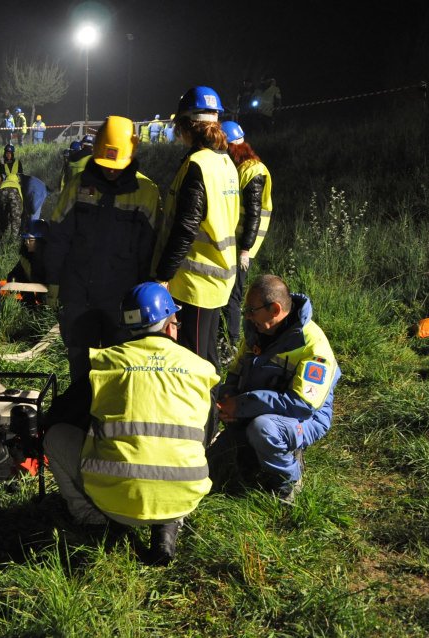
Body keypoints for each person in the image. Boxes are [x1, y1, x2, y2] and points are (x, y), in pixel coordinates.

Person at [43, 282, 217, 564]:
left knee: (55, 436)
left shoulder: (106, 363)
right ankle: (169, 525)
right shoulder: (200, 368)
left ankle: (93, 519)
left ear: (127, 328)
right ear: (170, 326)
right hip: (183, 496)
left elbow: (59, 414)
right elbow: (208, 432)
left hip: (115, 502)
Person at [44, 115, 162, 382]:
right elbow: (59, 236)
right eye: (105, 164)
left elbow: (150, 250)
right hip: (79, 295)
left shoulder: (146, 192)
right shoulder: (77, 187)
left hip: (122, 300)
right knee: (79, 365)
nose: (110, 171)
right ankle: (81, 406)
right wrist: (53, 281)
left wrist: (148, 289)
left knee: (120, 367)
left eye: (116, 165)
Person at [207, 274, 340, 503]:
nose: (246, 316)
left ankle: (288, 480)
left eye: (251, 310)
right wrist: (229, 396)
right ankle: (256, 454)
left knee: (263, 429)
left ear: (275, 309)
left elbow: (302, 405)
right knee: (213, 465)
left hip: (305, 417)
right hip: (257, 406)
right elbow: (237, 370)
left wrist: (241, 405)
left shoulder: (313, 346)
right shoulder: (257, 330)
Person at [153, 86, 240, 372]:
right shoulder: (225, 161)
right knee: (208, 354)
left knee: (195, 361)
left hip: (197, 282)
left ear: (185, 125)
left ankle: (204, 403)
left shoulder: (197, 165)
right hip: (219, 274)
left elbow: (186, 228)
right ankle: (213, 401)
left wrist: (163, 276)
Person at [220, 120, 274, 364]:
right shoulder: (241, 167)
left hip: (241, 247)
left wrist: (245, 249)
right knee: (227, 293)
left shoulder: (253, 171)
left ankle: (231, 345)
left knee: (233, 295)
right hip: (232, 244)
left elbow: (254, 214)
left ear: (230, 146)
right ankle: (226, 340)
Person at [5, 218, 49, 307]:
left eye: (30, 239)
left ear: (41, 241)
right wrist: (12, 283)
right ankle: (29, 304)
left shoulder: (52, 261)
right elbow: (14, 274)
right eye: (25, 239)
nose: (26, 242)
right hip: (32, 297)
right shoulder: (26, 257)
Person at [0, 144, 24, 239]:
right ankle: (12, 239)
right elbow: (20, 177)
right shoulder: (4, 163)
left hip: (4, 190)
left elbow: (0, 178)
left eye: (9, 153)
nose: (8, 155)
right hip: (13, 190)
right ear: (5, 153)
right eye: (7, 153)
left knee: (5, 214)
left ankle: (3, 235)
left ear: (12, 154)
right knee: (15, 216)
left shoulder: (16, 162)